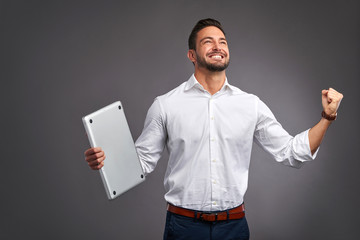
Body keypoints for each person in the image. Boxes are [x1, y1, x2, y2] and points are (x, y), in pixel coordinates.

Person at [84, 18, 343, 240]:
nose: (217, 46)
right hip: (182, 228)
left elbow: (291, 152)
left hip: (234, 227)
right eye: (207, 41)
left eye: (222, 41)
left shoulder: (250, 105)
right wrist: (106, 159)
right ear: (192, 55)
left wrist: (327, 118)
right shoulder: (165, 105)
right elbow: (140, 163)